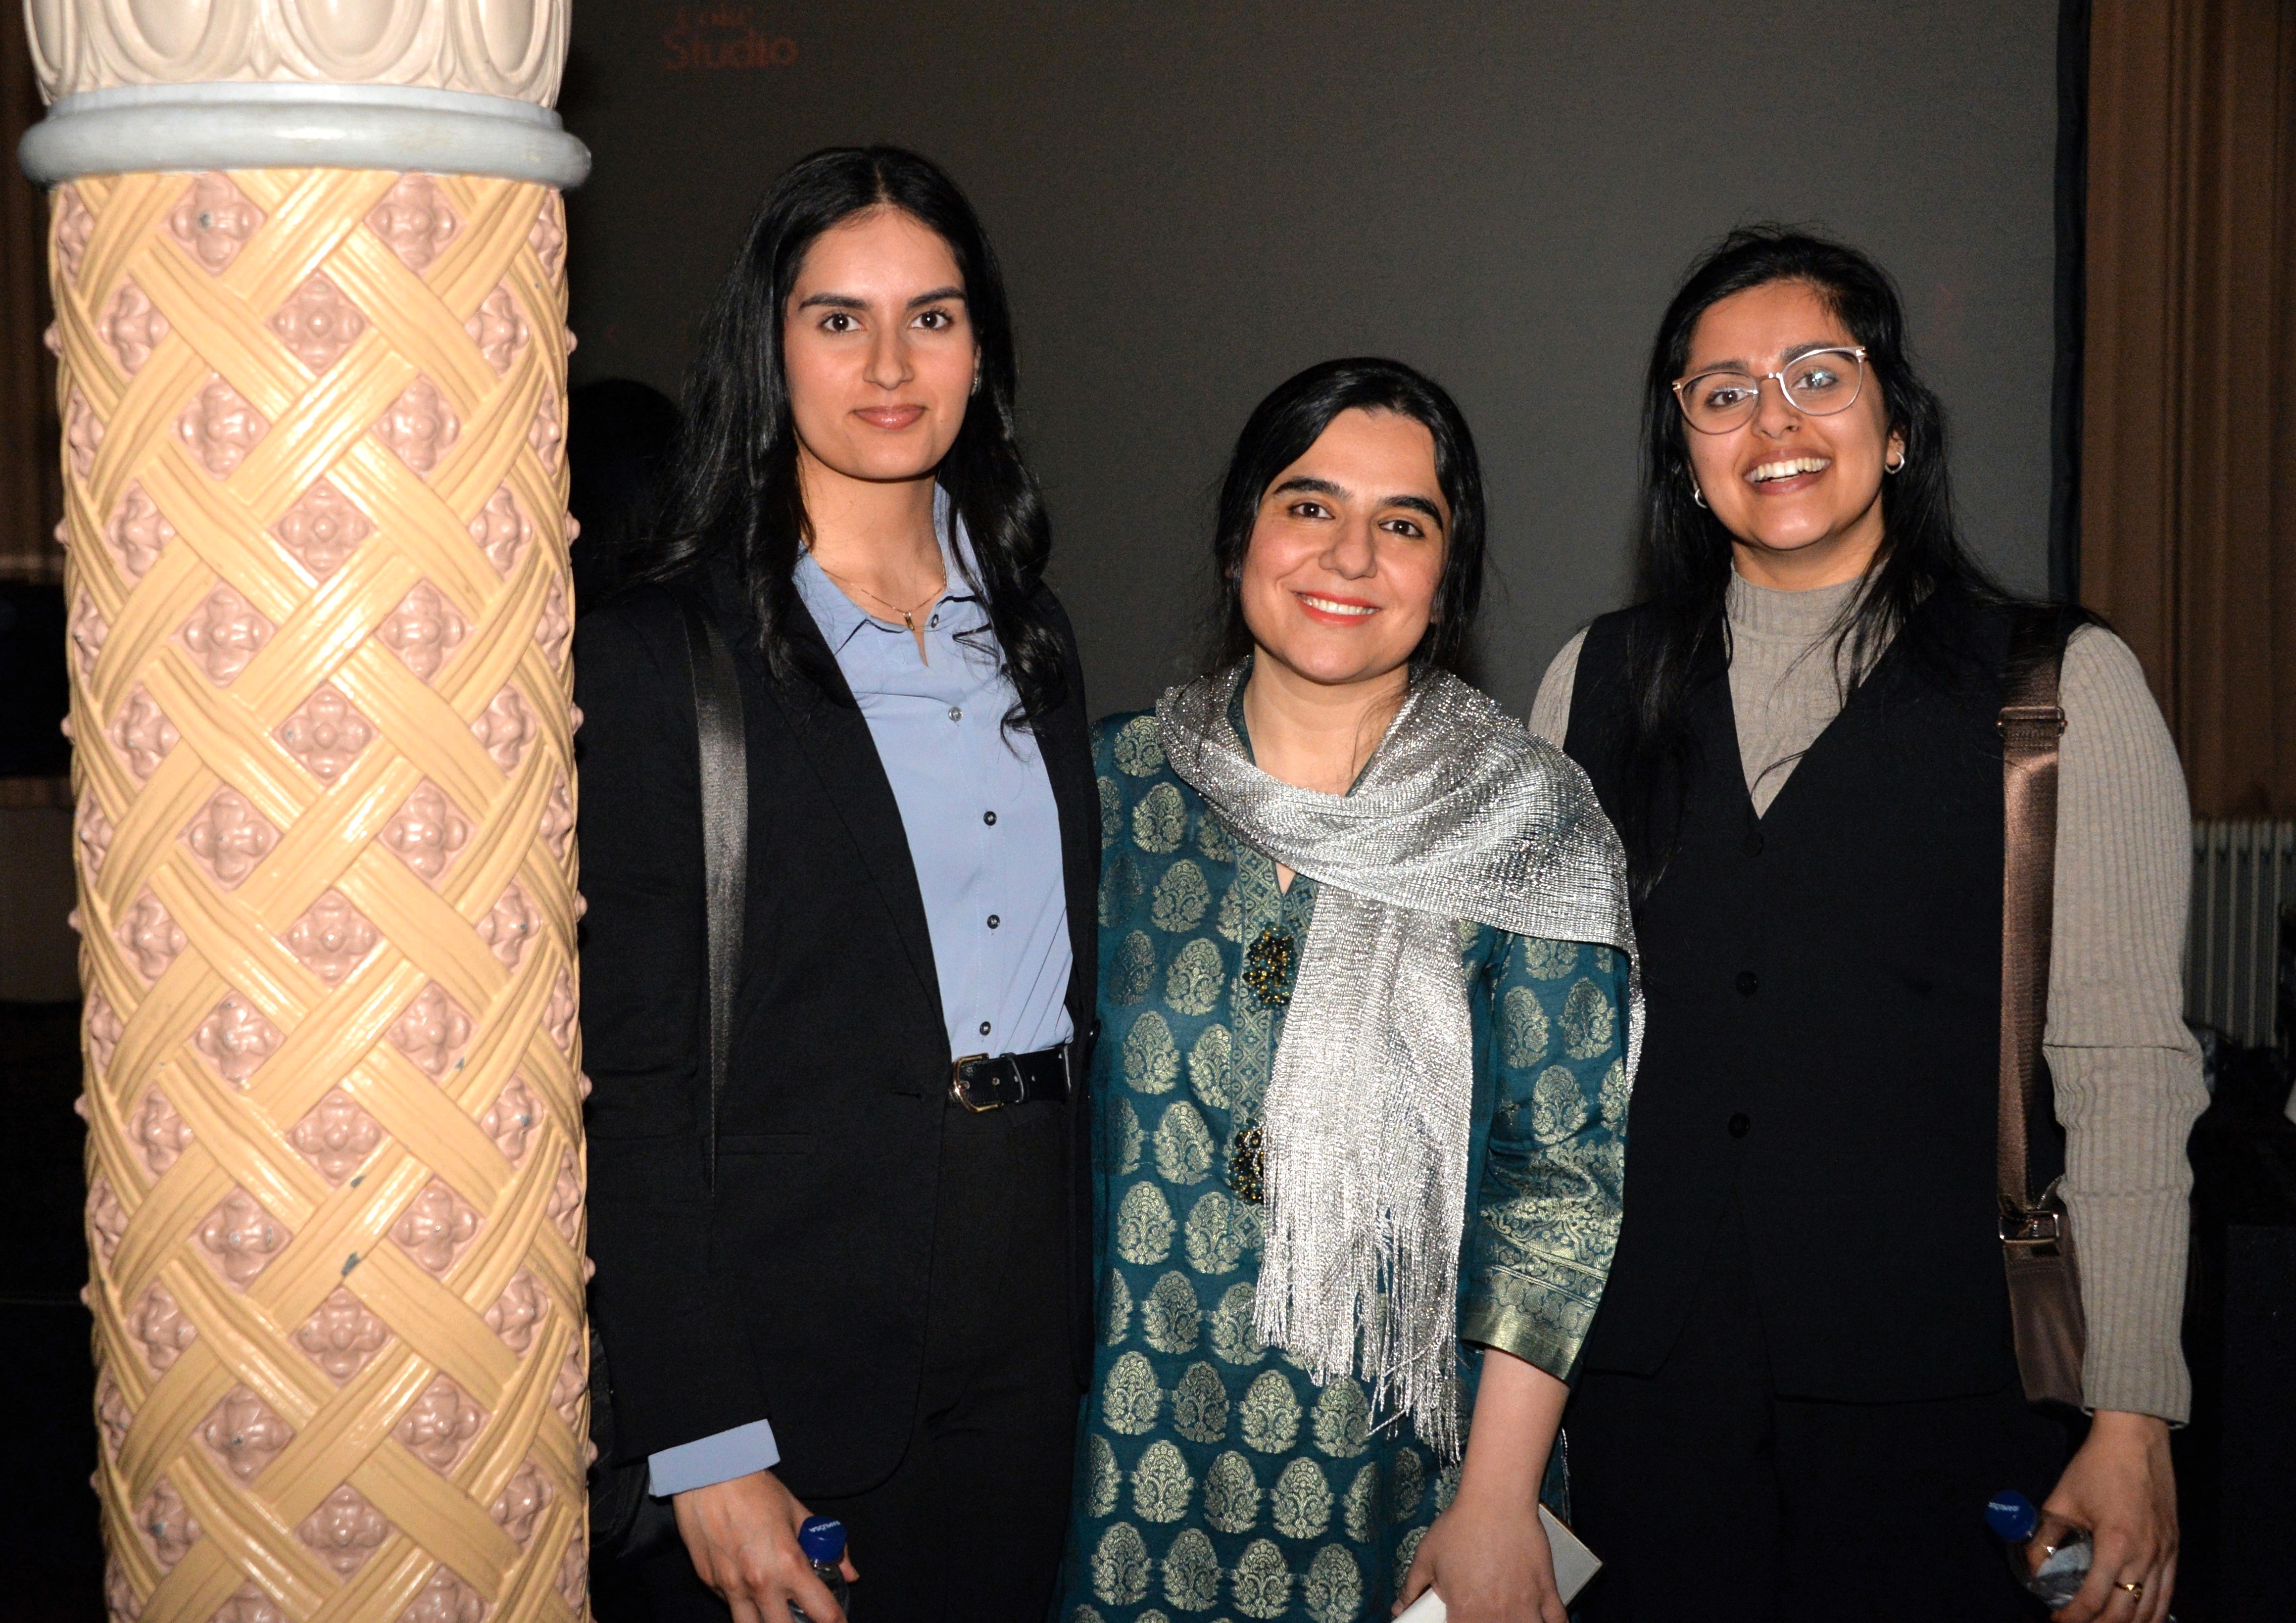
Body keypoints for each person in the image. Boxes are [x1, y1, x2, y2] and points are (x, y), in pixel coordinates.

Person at [1535, 228, 2203, 1623]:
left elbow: (2127, 1075)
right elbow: (1543, 1080)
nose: (1772, 421)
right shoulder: (1589, 683)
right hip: (1646, 1389)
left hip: (1940, 1385)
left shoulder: (2060, 689)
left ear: (1896, 425)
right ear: (1685, 452)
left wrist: (2132, 1413)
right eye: (1723, 393)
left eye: (1817, 375)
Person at [577, 146, 1097, 1623]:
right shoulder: (660, 655)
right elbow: (631, 1078)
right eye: (837, 319)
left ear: (981, 350)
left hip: (1029, 1307)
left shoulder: (1034, 631)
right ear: (770, 342)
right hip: (790, 1336)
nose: (888, 364)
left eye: (931, 317)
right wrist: (706, 1440)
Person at [1061, 358, 1637, 1623]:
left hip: (1410, 1477)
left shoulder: (1527, 823)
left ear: (1446, 576)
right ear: (1241, 537)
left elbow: (1560, 1183)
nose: (1351, 556)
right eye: (1310, 505)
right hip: (1121, 1461)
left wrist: (1497, 1498)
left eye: (1404, 524)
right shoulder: (1109, 791)